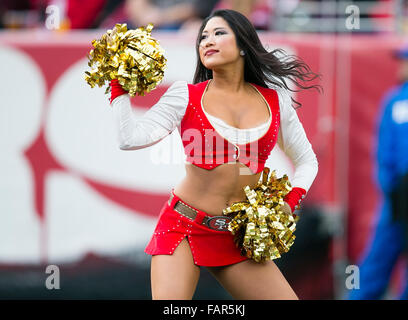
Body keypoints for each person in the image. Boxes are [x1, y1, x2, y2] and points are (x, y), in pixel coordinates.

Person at [109, 9, 320, 300]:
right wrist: (118, 86)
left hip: (238, 236)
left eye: (219, 33)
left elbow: (307, 160)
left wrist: (291, 200)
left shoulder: (275, 102)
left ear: (244, 44)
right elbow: (129, 139)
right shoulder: (186, 95)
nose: (208, 41)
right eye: (203, 37)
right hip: (182, 227)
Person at [347, 45, 408, 300]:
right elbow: (384, 152)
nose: (402, 67)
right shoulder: (395, 100)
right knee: (377, 259)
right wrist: (391, 190)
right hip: (397, 196)